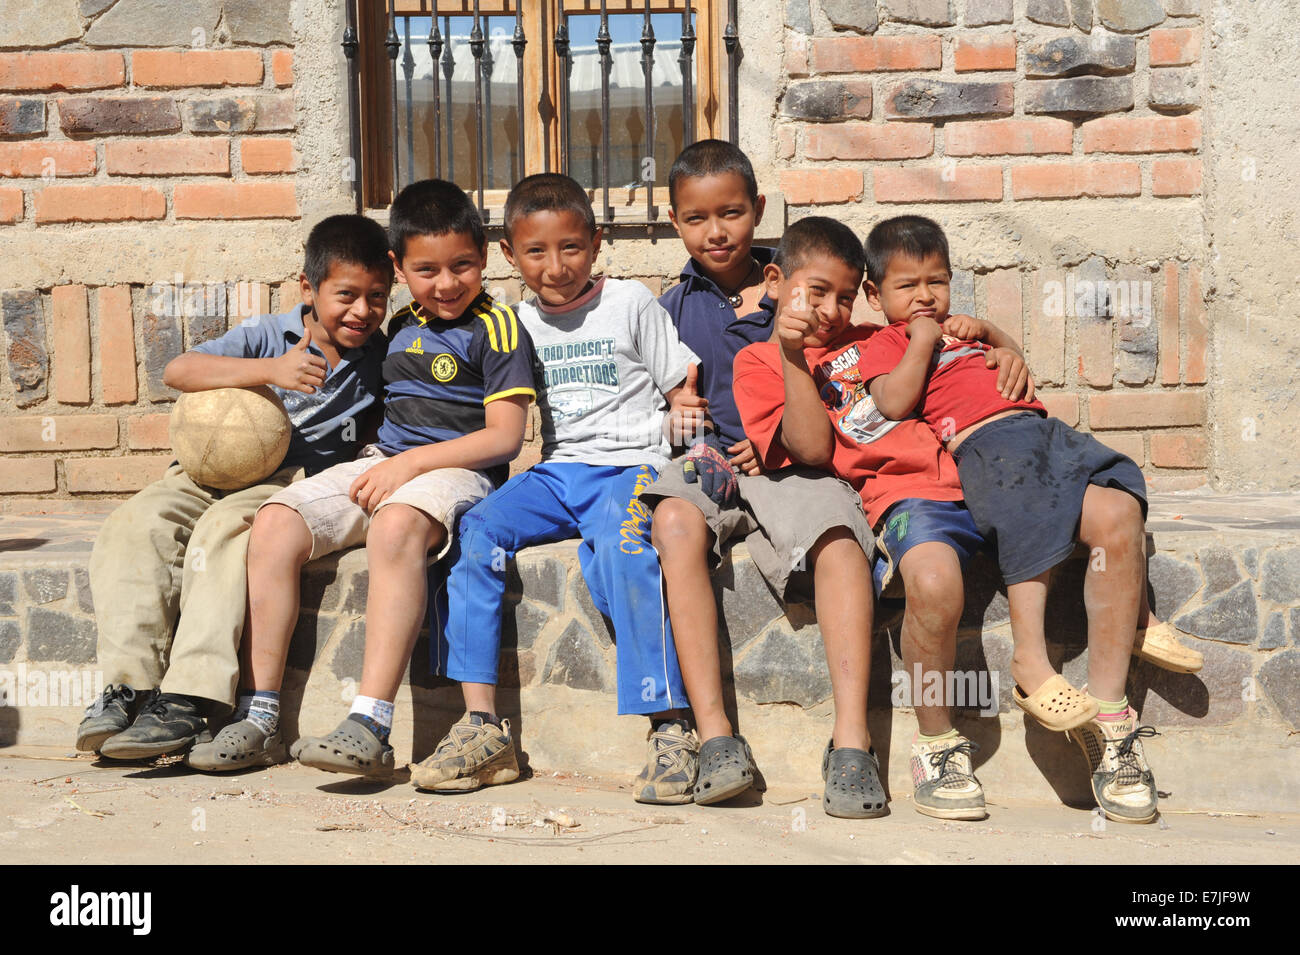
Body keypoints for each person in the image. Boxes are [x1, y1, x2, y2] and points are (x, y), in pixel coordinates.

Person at [187, 179, 536, 774]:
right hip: (384, 464)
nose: (447, 283)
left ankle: (369, 721)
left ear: (483, 257)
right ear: (399, 267)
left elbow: (504, 438)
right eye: (428, 270)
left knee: (394, 527)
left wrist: (407, 465)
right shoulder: (395, 326)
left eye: (463, 266)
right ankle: (260, 714)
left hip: (457, 472)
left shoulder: (497, 328)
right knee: (274, 522)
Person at [858, 215, 1196, 823]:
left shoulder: (968, 333)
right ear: (873, 293)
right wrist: (922, 341)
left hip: (1041, 434)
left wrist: (994, 336)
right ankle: (1029, 663)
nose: (926, 297)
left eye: (938, 282)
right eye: (907, 287)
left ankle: (1112, 716)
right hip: (991, 456)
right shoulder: (885, 345)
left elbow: (1012, 366)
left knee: (1119, 506)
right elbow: (892, 400)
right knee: (1031, 514)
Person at [410, 173, 701, 796]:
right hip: (558, 471)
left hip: (632, 468)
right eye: (535, 252)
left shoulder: (630, 303)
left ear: (596, 244)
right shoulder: (513, 324)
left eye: (570, 247)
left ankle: (670, 725)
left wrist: (690, 436)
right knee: (477, 528)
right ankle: (483, 726)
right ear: (510, 257)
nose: (556, 266)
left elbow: (682, 385)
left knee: (623, 552)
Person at [733, 216, 1021, 819]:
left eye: (844, 296)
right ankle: (913, 744)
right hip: (892, 498)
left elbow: (949, 336)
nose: (830, 312)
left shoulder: (872, 336)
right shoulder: (759, 361)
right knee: (927, 577)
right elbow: (811, 450)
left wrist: (1003, 343)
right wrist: (791, 354)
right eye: (816, 293)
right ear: (775, 282)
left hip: (959, 472)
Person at [77, 214, 393, 760]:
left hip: (284, 482)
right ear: (307, 288)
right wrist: (270, 370)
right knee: (135, 524)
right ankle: (131, 689)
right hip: (208, 471)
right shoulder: (267, 335)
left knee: (222, 534)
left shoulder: (381, 359)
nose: (362, 311)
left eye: (377, 297)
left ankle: (192, 700)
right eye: (346, 295)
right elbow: (178, 370)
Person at [637, 140, 876, 809]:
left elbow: (853, 355)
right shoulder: (669, 309)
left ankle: (852, 741)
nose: (716, 231)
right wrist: (671, 411)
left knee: (836, 531)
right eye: (696, 218)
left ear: (759, 210)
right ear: (675, 223)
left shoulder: (802, 283)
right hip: (713, 455)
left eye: (733, 212)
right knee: (673, 518)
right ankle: (716, 736)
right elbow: (653, 400)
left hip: (794, 457)